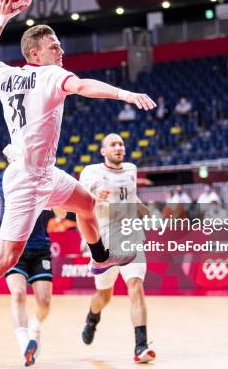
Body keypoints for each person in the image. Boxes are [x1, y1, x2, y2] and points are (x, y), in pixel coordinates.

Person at [0, 0, 156, 363]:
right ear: (35, 53)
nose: (61, 51)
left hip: (46, 174)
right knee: (4, 259)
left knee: (85, 205)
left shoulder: (6, 75)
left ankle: (100, 258)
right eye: (54, 46)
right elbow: (85, 87)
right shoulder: (51, 75)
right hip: (24, 180)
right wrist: (125, 94)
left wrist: (1, 17)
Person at [79, 133, 156, 363]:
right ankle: (92, 318)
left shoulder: (131, 169)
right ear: (103, 151)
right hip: (105, 244)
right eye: (113, 144)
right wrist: (96, 196)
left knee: (136, 286)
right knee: (104, 295)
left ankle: (140, 346)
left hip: (131, 238)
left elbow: (130, 197)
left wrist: (141, 208)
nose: (118, 147)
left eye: (121, 143)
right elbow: (81, 200)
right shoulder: (91, 172)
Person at [0, 171, 62, 366]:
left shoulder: (48, 176)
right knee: (18, 294)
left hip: (40, 248)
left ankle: (35, 330)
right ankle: (24, 343)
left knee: (44, 303)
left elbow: (62, 214)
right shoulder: (3, 178)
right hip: (13, 248)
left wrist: (53, 200)